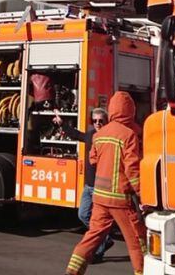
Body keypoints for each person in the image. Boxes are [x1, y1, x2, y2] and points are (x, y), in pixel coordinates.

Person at [64, 92, 146, 275]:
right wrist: (143, 195)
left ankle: (72, 271)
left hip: (100, 197)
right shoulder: (129, 135)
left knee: (92, 237)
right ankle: (142, 271)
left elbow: (93, 160)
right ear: (130, 111)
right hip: (120, 199)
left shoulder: (99, 134)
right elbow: (132, 171)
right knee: (136, 241)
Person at [55, 107, 115, 263]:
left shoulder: (109, 137)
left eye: (100, 120)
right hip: (88, 186)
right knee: (82, 214)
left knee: (97, 221)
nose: (97, 123)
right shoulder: (90, 135)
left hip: (100, 186)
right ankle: (105, 238)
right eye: (94, 120)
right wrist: (62, 124)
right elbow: (77, 135)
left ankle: (98, 252)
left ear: (106, 121)